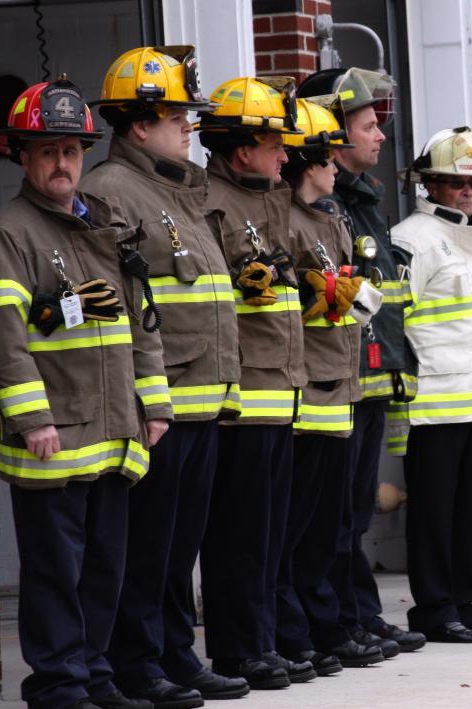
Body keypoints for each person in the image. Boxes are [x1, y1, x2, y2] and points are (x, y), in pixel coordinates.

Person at [0, 77, 171, 709]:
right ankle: (59, 686)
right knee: (58, 574)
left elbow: (141, 322)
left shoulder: (101, 227)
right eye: (47, 150)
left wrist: (155, 406)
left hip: (113, 431)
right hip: (54, 438)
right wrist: (32, 420)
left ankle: (97, 677)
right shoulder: (7, 235)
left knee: (105, 570)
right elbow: (2, 340)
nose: (62, 163)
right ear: (22, 156)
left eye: (72, 151)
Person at [81, 47, 247, 706]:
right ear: (139, 123)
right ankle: (137, 661)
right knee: (146, 549)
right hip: (159, 404)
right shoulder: (111, 192)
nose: (191, 127)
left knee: (180, 549)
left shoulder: (181, 189)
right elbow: (118, 306)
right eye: (179, 116)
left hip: (202, 401)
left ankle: (176, 654)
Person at [298, 67, 425, 654]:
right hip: (336, 376)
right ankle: (339, 619)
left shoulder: (362, 200)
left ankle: (359, 612)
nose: (380, 136)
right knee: (333, 514)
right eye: (368, 125)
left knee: (354, 509)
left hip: (371, 372)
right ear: (332, 127)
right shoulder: (326, 204)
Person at [194, 76, 309, 690]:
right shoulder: (209, 203)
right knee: (238, 534)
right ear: (241, 149)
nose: (285, 156)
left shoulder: (270, 199)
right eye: (274, 144)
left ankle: (263, 641)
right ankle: (238, 650)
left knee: (269, 535)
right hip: (244, 397)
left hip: (282, 388)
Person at [388, 127, 472, 642]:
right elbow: (396, 322)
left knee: (465, 513)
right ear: (431, 185)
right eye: (456, 183)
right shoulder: (411, 240)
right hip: (433, 405)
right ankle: (435, 610)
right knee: (435, 516)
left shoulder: (471, 241)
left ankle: (464, 603)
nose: (469, 192)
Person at [275, 97, 388, 674]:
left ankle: (327, 627)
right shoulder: (286, 219)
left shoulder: (332, 217)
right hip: (306, 390)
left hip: (340, 385)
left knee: (329, 525)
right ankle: (299, 632)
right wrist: (314, 293)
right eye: (326, 158)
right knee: (298, 527)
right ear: (307, 162)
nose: (335, 168)